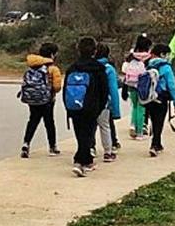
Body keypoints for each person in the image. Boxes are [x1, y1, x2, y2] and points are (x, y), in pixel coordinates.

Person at [64, 37, 109, 178]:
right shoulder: (98, 68)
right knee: (88, 135)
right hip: (92, 107)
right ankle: (80, 162)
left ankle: (86, 160)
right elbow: (104, 90)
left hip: (75, 106)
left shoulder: (72, 68)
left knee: (80, 134)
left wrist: (68, 107)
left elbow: (66, 89)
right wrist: (100, 107)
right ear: (95, 51)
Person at [20, 43, 63, 158]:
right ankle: (52, 147)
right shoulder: (52, 68)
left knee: (32, 121)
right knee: (49, 123)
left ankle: (26, 144)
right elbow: (57, 87)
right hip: (47, 100)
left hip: (32, 99)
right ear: (52, 55)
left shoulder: (32, 67)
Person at [145, 44, 175, 157]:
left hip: (150, 98)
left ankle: (158, 143)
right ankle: (154, 145)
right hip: (162, 97)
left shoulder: (148, 65)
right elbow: (171, 85)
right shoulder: (166, 67)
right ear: (162, 54)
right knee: (159, 122)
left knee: (154, 121)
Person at [121, 35, 153, 140]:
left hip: (131, 84)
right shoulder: (147, 57)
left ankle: (133, 125)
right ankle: (140, 132)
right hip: (142, 86)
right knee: (141, 108)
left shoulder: (131, 56)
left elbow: (124, 71)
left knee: (134, 107)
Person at [95, 43, 122, 163]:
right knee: (105, 126)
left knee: (90, 127)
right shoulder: (108, 68)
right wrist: (115, 110)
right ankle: (108, 152)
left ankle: (91, 148)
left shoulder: (91, 66)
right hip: (104, 102)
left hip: (89, 102)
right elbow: (113, 90)